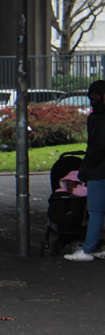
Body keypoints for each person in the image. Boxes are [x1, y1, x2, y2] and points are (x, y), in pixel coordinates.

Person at [66, 80, 105, 261]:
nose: (92, 98)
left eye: (95, 95)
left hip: (99, 170)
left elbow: (96, 147)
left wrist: (84, 169)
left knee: (95, 210)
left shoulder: (97, 118)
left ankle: (88, 249)